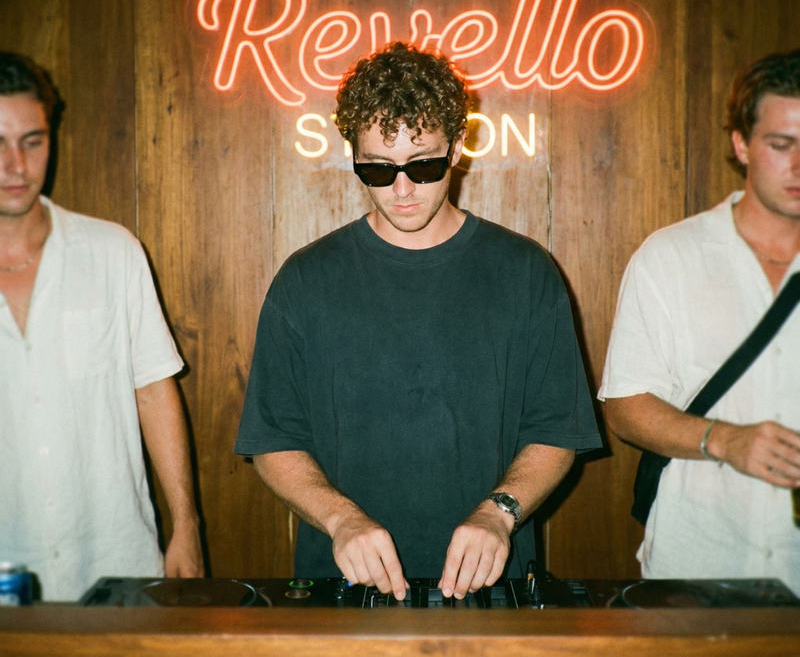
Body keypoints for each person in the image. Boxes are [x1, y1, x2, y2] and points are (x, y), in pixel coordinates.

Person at [235, 41, 601, 600]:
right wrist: (340, 519)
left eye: (423, 164)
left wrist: (499, 513)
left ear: (456, 148)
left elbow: (557, 429)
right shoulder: (305, 280)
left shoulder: (525, 271)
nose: (402, 189)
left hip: (492, 588)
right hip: (344, 588)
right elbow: (272, 438)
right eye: (377, 169)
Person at [0, 52, 204, 601]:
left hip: (114, 562)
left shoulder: (112, 252)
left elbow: (154, 390)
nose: (15, 165)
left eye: (32, 141)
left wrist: (186, 526)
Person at [599, 49, 800, 593]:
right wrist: (723, 440)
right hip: (698, 562)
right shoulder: (671, 257)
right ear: (742, 144)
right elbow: (625, 406)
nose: (799, 164)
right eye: (781, 144)